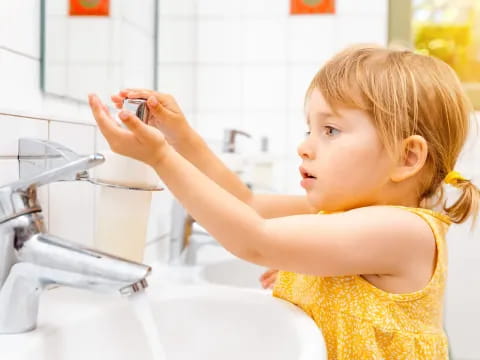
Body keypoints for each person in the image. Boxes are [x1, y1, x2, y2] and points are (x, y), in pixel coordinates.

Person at [88, 45, 480, 359]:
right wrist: (180, 136)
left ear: (407, 157)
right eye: (310, 128)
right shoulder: (338, 215)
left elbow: (255, 239)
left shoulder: (406, 231)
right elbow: (248, 203)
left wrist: (159, 158)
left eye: (330, 130)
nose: (305, 146)